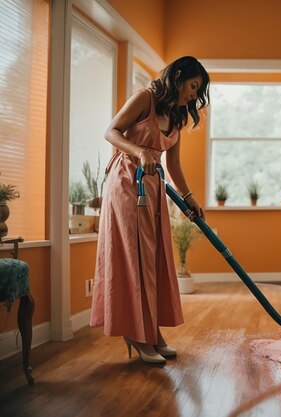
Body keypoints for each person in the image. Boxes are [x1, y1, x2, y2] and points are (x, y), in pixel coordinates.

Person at [90, 56, 209, 364]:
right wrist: (139, 150)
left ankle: (150, 331)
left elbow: (174, 164)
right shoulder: (145, 97)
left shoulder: (177, 113)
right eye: (193, 86)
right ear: (179, 75)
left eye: (198, 91)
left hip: (152, 186)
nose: (193, 96)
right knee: (135, 257)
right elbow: (111, 131)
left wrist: (189, 197)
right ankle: (139, 334)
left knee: (152, 259)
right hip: (128, 181)